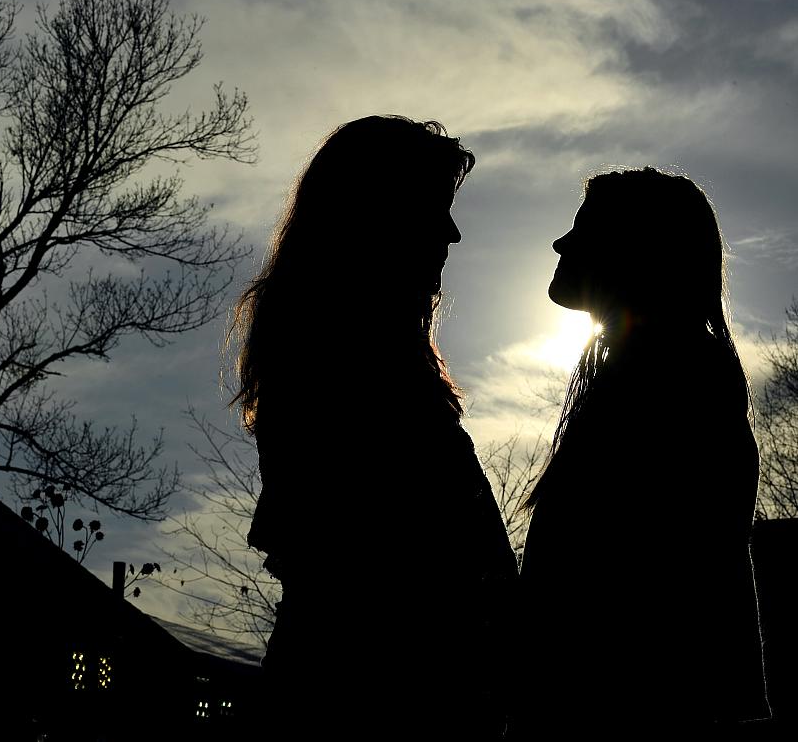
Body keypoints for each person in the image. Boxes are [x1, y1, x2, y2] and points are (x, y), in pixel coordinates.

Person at [227, 115, 517, 737]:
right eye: (433, 209)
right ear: (380, 217)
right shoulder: (350, 371)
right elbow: (381, 564)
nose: (452, 233)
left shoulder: (353, 361)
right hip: (379, 705)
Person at [514, 168, 770, 739]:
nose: (561, 243)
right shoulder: (656, 372)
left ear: (633, 251)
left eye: (582, 229)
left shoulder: (670, 381)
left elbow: (638, 586)